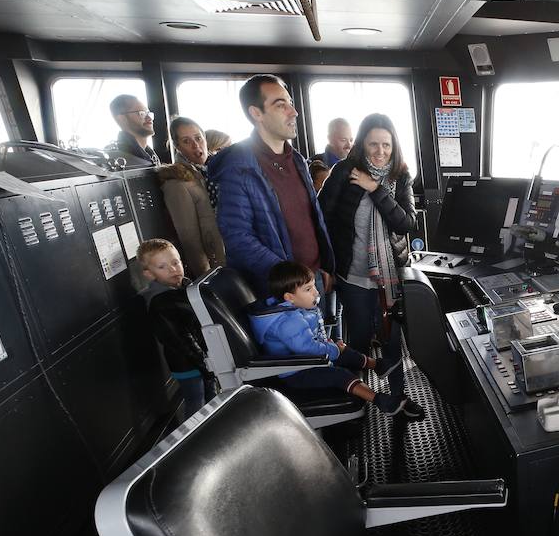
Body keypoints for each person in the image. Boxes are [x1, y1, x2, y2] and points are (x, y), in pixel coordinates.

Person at [319, 112, 423, 419]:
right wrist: (326, 266)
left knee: (393, 339)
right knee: (360, 340)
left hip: (389, 277)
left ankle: (399, 399)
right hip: (353, 276)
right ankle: (357, 403)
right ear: (363, 143)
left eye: (387, 145)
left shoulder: (400, 176)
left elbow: (406, 223)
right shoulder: (343, 172)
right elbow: (322, 219)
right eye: (374, 144)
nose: (380, 151)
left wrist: (375, 189)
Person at [210, 74, 337, 299]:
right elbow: (238, 237)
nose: (293, 112)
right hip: (280, 287)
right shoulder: (238, 166)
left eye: (290, 103)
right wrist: (292, 280)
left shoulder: (296, 159)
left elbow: (310, 217)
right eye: (281, 105)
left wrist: (323, 263)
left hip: (312, 278)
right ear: (256, 113)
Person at [250, 262, 421, 419]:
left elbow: (312, 340)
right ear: (289, 297)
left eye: (313, 287)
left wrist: (333, 346)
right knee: (340, 374)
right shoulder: (288, 322)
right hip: (297, 373)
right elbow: (308, 349)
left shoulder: (296, 311)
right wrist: (332, 349)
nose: (316, 293)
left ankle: (377, 365)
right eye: (308, 289)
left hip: (308, 361)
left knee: (343, 350)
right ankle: (382, 402)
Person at [137, 239, 213, 417]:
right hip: (187, 364)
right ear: (149, 274)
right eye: (162, 267)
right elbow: (179, 339)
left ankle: (213, 427)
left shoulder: (186, 286)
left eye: (175, 262)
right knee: (196, 401)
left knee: (211, 396)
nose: (172, 269)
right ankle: (194, 437)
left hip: (204, 358)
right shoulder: (160, 302)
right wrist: (204, 363)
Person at [158, 116, 225, 278]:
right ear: (178, 147)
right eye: (186, 141)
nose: (196, 146)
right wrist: (205, 276)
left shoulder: (219, 168)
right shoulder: (176, 182)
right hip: (215, 260)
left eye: (198, 138)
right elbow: (189, 238)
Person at [107, 94, 159, 165]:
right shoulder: (122, 160)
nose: (149, 118)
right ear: (122, 119)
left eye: (148, 113)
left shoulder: (150, 155)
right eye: (142, 113)